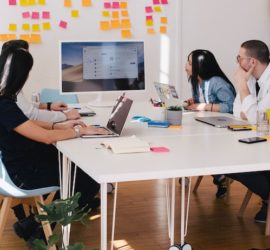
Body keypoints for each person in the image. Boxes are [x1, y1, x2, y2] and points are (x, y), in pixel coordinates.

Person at [0, 46, 109, 244]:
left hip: (21, 161)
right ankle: (40, 232)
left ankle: (33, 225)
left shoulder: (5, 100)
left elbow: (26, 124)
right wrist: (79, 131)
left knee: (75, 169)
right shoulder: (4, 104)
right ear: (21, 75)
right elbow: (45, 137)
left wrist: (58, 125)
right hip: (22, 174)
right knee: (87, 179)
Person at [184, 49, 236, 198]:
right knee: (193, 143)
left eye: (189, 63)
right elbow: (202, 102)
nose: (185, 66)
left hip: (222, 130)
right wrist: (194, 102)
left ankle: (220, 178)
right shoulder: (196, 81)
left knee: (198, 146)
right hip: (207, 125)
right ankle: (219, 177)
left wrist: (203, 106)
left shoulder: (216, 82)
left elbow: (230, 106)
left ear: (199, 66)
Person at [228, 40, 270, 223]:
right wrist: (245, 89)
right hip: (264, 136)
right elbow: (237, 110)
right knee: (230, 164)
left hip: (266, 139)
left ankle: (268, 199)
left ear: (252, 62)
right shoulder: (254, 79)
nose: (238, 62)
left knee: (240, 166)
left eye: (240, 58)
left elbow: (258, 120)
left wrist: (242, 85)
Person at [2, 39, 80, 123]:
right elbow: (31, 115)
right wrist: (65, 116)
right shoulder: (6, 88)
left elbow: (21, 106)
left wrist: (48, 106)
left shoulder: (9, 82)